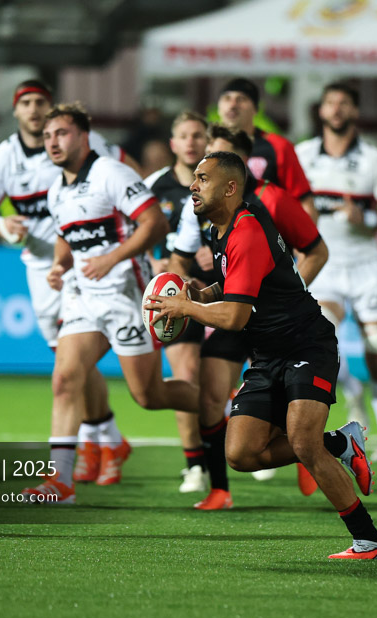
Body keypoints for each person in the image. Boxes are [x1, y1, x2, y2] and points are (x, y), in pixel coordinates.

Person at [148, 150, 377, 559]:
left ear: (230, 187)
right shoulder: (218, 230)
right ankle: (341, 443)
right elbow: (236, 286)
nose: (192, 184)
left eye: (202, 178)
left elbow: (237, 316)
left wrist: (188, 308)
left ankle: (369, 540)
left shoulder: (247, 229)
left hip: (306, 345)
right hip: (267, 354)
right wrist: (202, 293)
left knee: (302, 440)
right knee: (241, 454)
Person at [21, 102, 199, 503]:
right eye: (48, 136)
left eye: (62, 133)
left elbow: (154, 222)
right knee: (66, 377)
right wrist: (58, 265)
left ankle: (219, 406)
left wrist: (112, 258)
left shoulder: (110, 173)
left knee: (148, 395)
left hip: (125, 293)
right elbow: (68, 235)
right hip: (83, 297)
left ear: (84, 137)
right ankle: (61, 482)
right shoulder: (57, 188)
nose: (53, 142)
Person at [0, 79, 129, 486]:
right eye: (27, 103)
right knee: (69, 359)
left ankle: (95, 445)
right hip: (43, 268)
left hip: (89, 261)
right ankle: (105, 437)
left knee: (71, 363)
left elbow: (130, 178)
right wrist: (1, 224)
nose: (35, 109)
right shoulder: (3, 157)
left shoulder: (81, 147)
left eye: (41, 101)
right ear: (16, 110)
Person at [167, 125, 328, 509]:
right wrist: (191, 287)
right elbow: (185, 256)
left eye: (219, 159)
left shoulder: (273, 199)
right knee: (210, 398)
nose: (204, 171)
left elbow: (316, 251)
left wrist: (280, 296)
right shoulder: (206, 211)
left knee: (287, 415)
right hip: (229, 311)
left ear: (240, 167)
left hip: (271, 323)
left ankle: (311, 450)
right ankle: (220, 490)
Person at [296, 81, 377, 462]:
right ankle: (352, 392)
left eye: (344, 103)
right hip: (323, 265)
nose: (337, 109)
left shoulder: (374, 160)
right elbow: (279, 203)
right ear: (321, 110)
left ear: (355, 112)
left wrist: (368, 216)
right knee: (322, 343)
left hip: (366, 268)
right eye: (330, 102)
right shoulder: (302, 156)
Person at [143, 110, 212, 493]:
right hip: (174, 294)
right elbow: (133, 229)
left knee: (222, 378)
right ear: (172, 143)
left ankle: (250, 434)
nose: (191, 142)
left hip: (220, 292)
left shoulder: (219, 182)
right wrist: (153, 261)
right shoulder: (153, 185)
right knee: (184, 375)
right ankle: (195, 464)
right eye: (183, 135)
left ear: (208, 141)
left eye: (198, 135)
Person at [216, 78, 316, 219]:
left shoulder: (278, 146)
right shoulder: (207, 146)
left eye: (241, 99)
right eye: (227, 98)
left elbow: (305, 203)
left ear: (256, 109)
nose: (232, 105)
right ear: (219, 106)